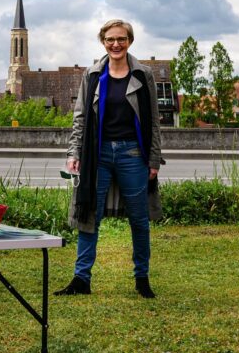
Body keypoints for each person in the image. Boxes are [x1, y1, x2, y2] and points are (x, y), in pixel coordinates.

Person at [55, 19, 162, 298]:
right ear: (103, 41)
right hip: (97, 154)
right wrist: (73, 153)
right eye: (110, 39)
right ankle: (81, 279)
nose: (116, 44)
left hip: (132, 154)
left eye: (121, 39)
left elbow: (153, 121)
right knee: (89, 214)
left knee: (139, 219)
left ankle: (142, 278)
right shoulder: (92, 75)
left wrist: (153, 159)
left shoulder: (143, 75)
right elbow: (80, 117)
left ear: (130, 41)